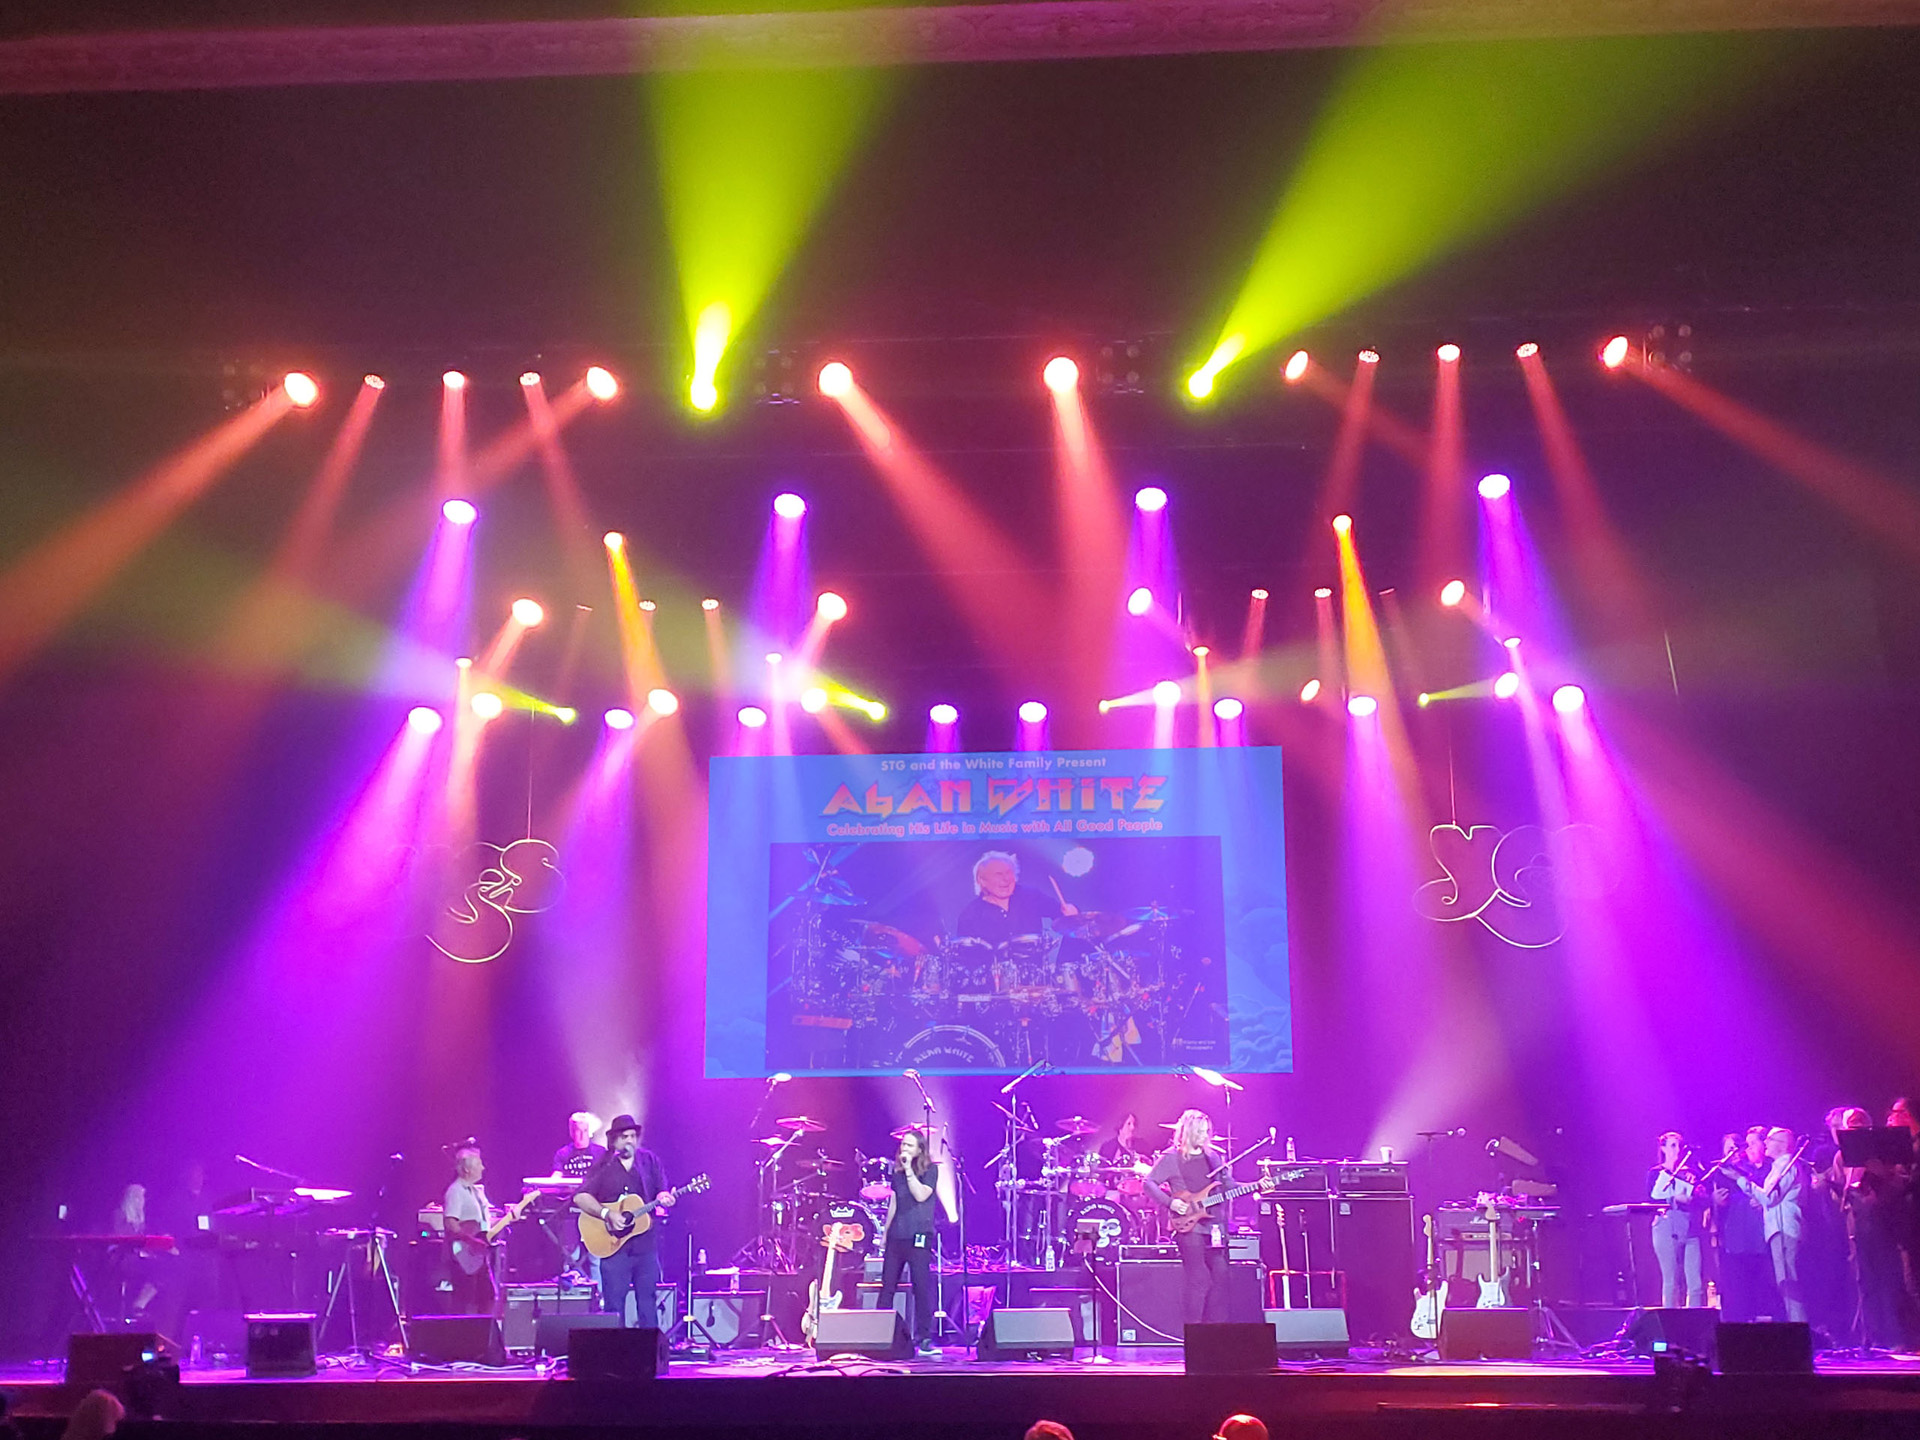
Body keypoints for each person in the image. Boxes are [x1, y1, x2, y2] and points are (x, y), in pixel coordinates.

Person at [572, 1115, 674, 1328]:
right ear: (614, 1140)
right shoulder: (603, 1164)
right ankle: (616, 1348)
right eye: (624, 1137)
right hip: (613, 1248)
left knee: (647, 1303)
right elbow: (580, 1197)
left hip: (645, 1245)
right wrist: (606, 1214)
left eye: (633, 1136)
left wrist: (665, 1198)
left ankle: (648, 1348)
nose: (630, 1141)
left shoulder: (649, 1161)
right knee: (614, 1306)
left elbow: (661, 1191)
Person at [1146, 1108, 1231, 1325]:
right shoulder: (1171, 1158)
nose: (1205, 1136)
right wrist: (1170, 1202)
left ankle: (1214, 1331)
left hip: (1214, 1225)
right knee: (1199, 1279)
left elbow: (1229, 1186)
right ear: (1189, 1132)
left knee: (1220, 1277)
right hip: (1189, 1226)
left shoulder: (1213, 1157)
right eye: (1200, 1132)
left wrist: (1257, 1185)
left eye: (1207, 1131)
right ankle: (1193, 1333)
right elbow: (1149, 1183)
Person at [878, 1127, 946, 1359]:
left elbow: (921, 1195)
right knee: (887, 1286)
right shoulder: (897, 1173)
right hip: (897, 1236)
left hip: (919, 1235)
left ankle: (924, 1339)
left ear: (919, 1150)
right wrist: (885, 1233)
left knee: (920, 1287)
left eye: (909, 1145)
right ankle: (880, 1336)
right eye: (903, 1144)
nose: (904, 1148)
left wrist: (909, 1171)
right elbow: (894, 1203)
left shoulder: (931, 1170)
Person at [1735, 1126, 1809, 1323]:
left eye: (1770, 1139)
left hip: (1785, 1230)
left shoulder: (1787, 1166)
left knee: (1788, 1280)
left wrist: (1741, 1180)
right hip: (1778, 1230)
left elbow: (1770, 1198)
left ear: (1783, 1145)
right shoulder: (1777, 1167)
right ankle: (1795, 1323)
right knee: (1784, 1281)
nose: (1765, 1142)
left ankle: (1798, 1326)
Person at [1709, 1129, 1777, 1321]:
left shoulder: (1757, 1169)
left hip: (1758, 1234)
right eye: (1728, 1149)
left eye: (1736, 1148)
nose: (1734, 1153)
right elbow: (1712, 1199)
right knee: (1737, 1282)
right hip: (1735, 1234)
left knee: (1762, 1280)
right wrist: (1714, 1200)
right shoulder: (1722, 1173)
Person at [955, 851, 1077, 946]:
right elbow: (967, 958)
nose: (1006, 879)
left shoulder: (1030, 896)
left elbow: (1061, 914)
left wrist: (1070, 914)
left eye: (1009, 873)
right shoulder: (971, 915)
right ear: (982, 881)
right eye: (998, 874)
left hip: (1035, 970)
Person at [442, 1143, 505, 1315]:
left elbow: (484, 1224)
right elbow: (450, 1223)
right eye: (479, 1164)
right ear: (467, 1169)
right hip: (464, 1256)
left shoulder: (477, 1192)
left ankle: (483, 1329)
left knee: (488, 1297)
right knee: (466, 1302)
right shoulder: (455, 1191)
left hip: (479, 1256)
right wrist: (472, 1241)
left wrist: (508, 1218)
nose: (483, 1168)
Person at [1649, 1132, 1707, 1307]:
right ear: (1663, 1148)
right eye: (1673, 1145)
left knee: (1695, 1282)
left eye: (1679, 1145)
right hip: (1666, 1226)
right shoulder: (1656, 1173)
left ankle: (1695, 1318)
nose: (1677, 1150)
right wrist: (1674, 1199)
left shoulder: (1690, 1173)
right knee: (1671, 1279)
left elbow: (1702, 1200)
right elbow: (1652, 1199)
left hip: (1690, 1227)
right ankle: (1670, 1317)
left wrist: (1697, 1192)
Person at [552, 1112, 607, 1290]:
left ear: (589, 1131)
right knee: (571, 1256)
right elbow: (556, 1178)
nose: (581, 1135)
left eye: (584, 1130)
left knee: (596, 1257)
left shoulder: (601, 1153)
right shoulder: (563, 1154)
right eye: (577, 1131)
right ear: (571, 1132)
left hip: (594, 1212)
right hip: (570, 1212)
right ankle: (571, 1296)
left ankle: (599, 1297)